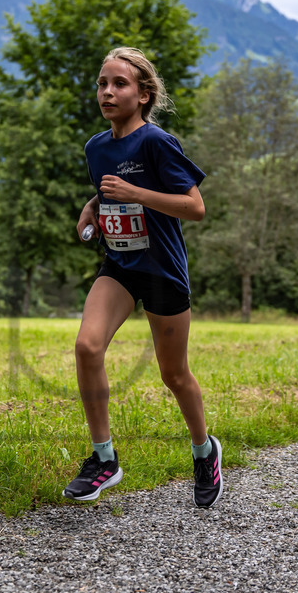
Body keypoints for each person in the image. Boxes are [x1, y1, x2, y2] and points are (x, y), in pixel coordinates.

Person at [64, 46, 222, 509]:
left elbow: (194, 207)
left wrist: (134, 192)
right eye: (102, 83)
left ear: (144, 94)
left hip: (162, 269)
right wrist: (92, 208)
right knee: (87, 346)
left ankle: (204, 451)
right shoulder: (96, 147)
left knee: (173, 374)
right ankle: (103, 458)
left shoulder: (157, 142)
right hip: (120, 265)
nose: (107, 92)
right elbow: (107, 192)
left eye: (120, 84)